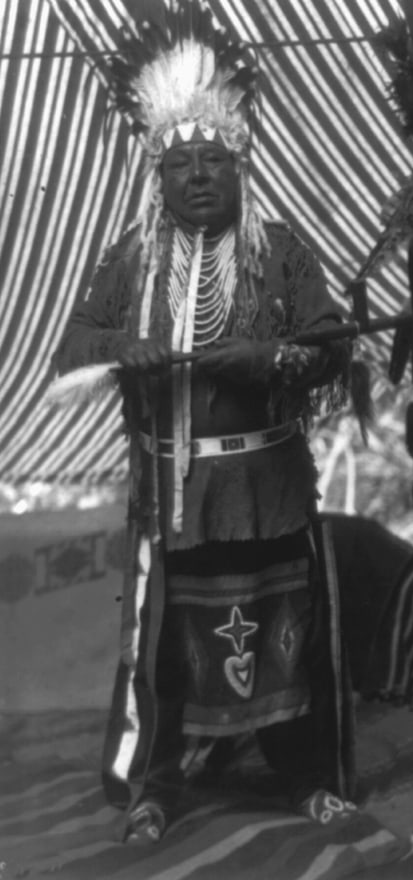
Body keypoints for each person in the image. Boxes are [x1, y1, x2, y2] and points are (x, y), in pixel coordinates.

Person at [52, 2, 357, 844]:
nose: (195, 176)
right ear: (158, 178)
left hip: (267, 487)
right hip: (172, 492)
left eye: (212, 161)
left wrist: (272, 360)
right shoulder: (132, 259)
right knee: (163, 652)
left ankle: (306, 779)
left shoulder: (283, 254)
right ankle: (156, 786)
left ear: (239, 168)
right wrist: (127, 347)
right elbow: (72, 347)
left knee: (288, 635)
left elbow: (331, 347)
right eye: (179, 164)